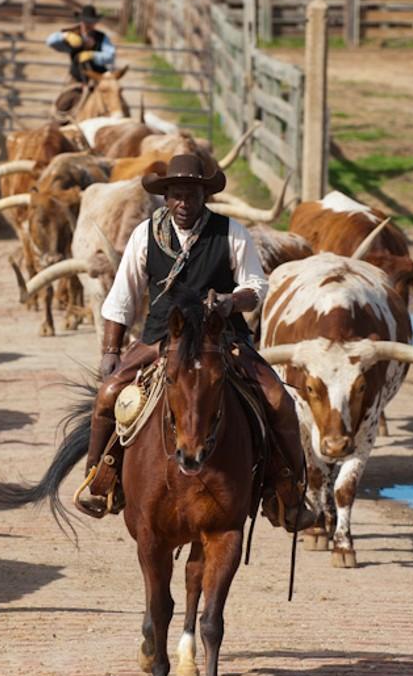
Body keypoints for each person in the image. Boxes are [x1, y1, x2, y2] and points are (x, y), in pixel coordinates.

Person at [75, 154, 314, 532]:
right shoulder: (144, 235)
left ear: (204, 196)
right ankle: (99, 482)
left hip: (224, 339)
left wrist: (231, 301)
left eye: (191, 195)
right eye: (176, 195)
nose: (183, 203)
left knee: (278, 400)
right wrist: (110, 352)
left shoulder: (231, 233)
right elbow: (121, 299)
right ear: (166, 198)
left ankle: (288, 492)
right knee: (107, 394)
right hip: (160, 338)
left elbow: (256, 286)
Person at [46, 5, 116, 114]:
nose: (89, 25)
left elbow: (110, 56)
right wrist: (65, 36)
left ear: (95, 23)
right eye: (86, 22)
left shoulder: (101, 37)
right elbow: (50, 41)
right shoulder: (72, 34)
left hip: (99, 78)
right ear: (81, 21)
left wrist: (93, 55)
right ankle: (59, 127)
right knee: (63, 105)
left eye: (91, 22)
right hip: (77, 79)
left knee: (116, 100)